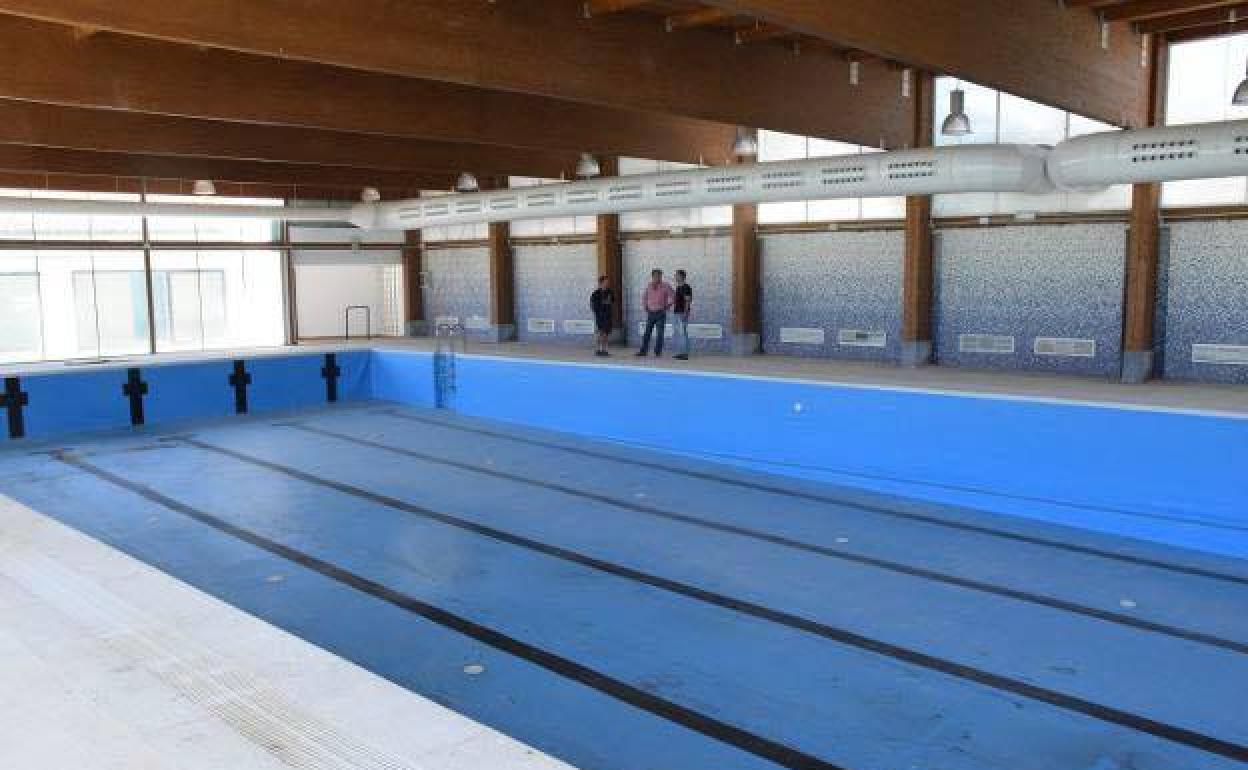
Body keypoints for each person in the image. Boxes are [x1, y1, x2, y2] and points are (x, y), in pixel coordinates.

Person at [636, 269, 674, 357]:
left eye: (660, 276)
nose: (658, 277)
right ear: (652, 276)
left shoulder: (666, 286)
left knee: (660, 333)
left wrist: (668, 305)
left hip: (660, 312)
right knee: (647, 332)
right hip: (651, 312)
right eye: (656, 276)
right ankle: (643, 351)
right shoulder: (649, 285)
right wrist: (645, 306)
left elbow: (673, 296)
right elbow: (644, 296)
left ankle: (657, 351)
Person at [671, 269, 693, 360]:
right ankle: (681, 352)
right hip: (677, 312)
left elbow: (687, 301)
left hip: (682, 313)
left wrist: (685, 313)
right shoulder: (678, 287)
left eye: (676, 275)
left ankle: (685, 353)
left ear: (681, 276)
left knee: (682, 333)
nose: (675, 277)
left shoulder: (686, 287)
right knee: (678, 333)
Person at [589, 275, 614, 357]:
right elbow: (593, 305)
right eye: (605, 282)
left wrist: (607, 303)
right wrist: (601, 307)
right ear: (601, 283)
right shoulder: (595, 294)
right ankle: (598, 349)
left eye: (608, 282)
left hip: (608, 315)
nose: (607, 283)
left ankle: (604, 349)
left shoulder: (610, 292)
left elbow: (612, 302)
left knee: (606, 333)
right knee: (601, 332)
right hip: (600, 316)